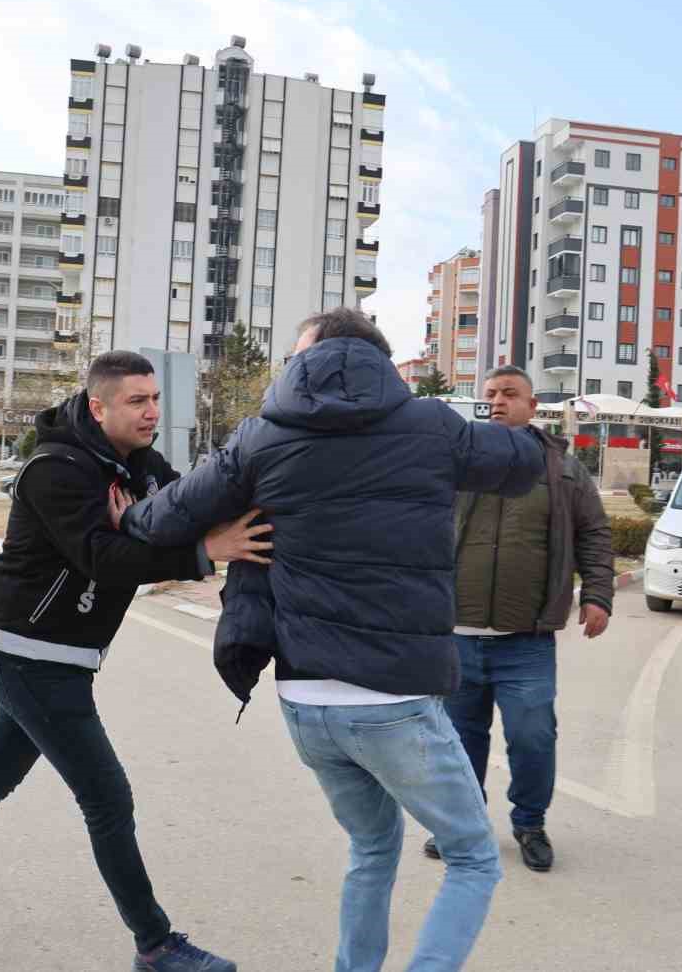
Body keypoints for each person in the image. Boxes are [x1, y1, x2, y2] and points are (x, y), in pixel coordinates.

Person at [117, 309, 545, 972]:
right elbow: (521, 464)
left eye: (298, 357)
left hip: (307, 703)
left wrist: (134, 515)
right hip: (393, 703)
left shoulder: (262, 436)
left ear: (319, 357)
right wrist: (524, 423)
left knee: (372, 847)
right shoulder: (432, 425)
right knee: (472, 857)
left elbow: (163, 518)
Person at [0, 351, 272, 970]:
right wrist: (202, 551)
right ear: (98, 407)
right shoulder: (54, 470)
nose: (151, 411)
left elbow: (188, 505)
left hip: (59, 657)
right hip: (28, 658)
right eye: (136, 401)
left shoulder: (139, 466)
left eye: (154, 398)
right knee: (108, 800)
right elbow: (103, 560)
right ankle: (156, 945)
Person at [420, 365, 614, 872]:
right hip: (455, 634)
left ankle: (530, 823)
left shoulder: (562, 469)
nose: (498, 401)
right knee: (459, 739)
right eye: (490, 394)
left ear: (532, 406)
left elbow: (594, 533)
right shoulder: (452, 460)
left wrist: (598, 595)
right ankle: (462, 824)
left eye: (510, 393)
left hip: (525, 640)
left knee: (533, 737)